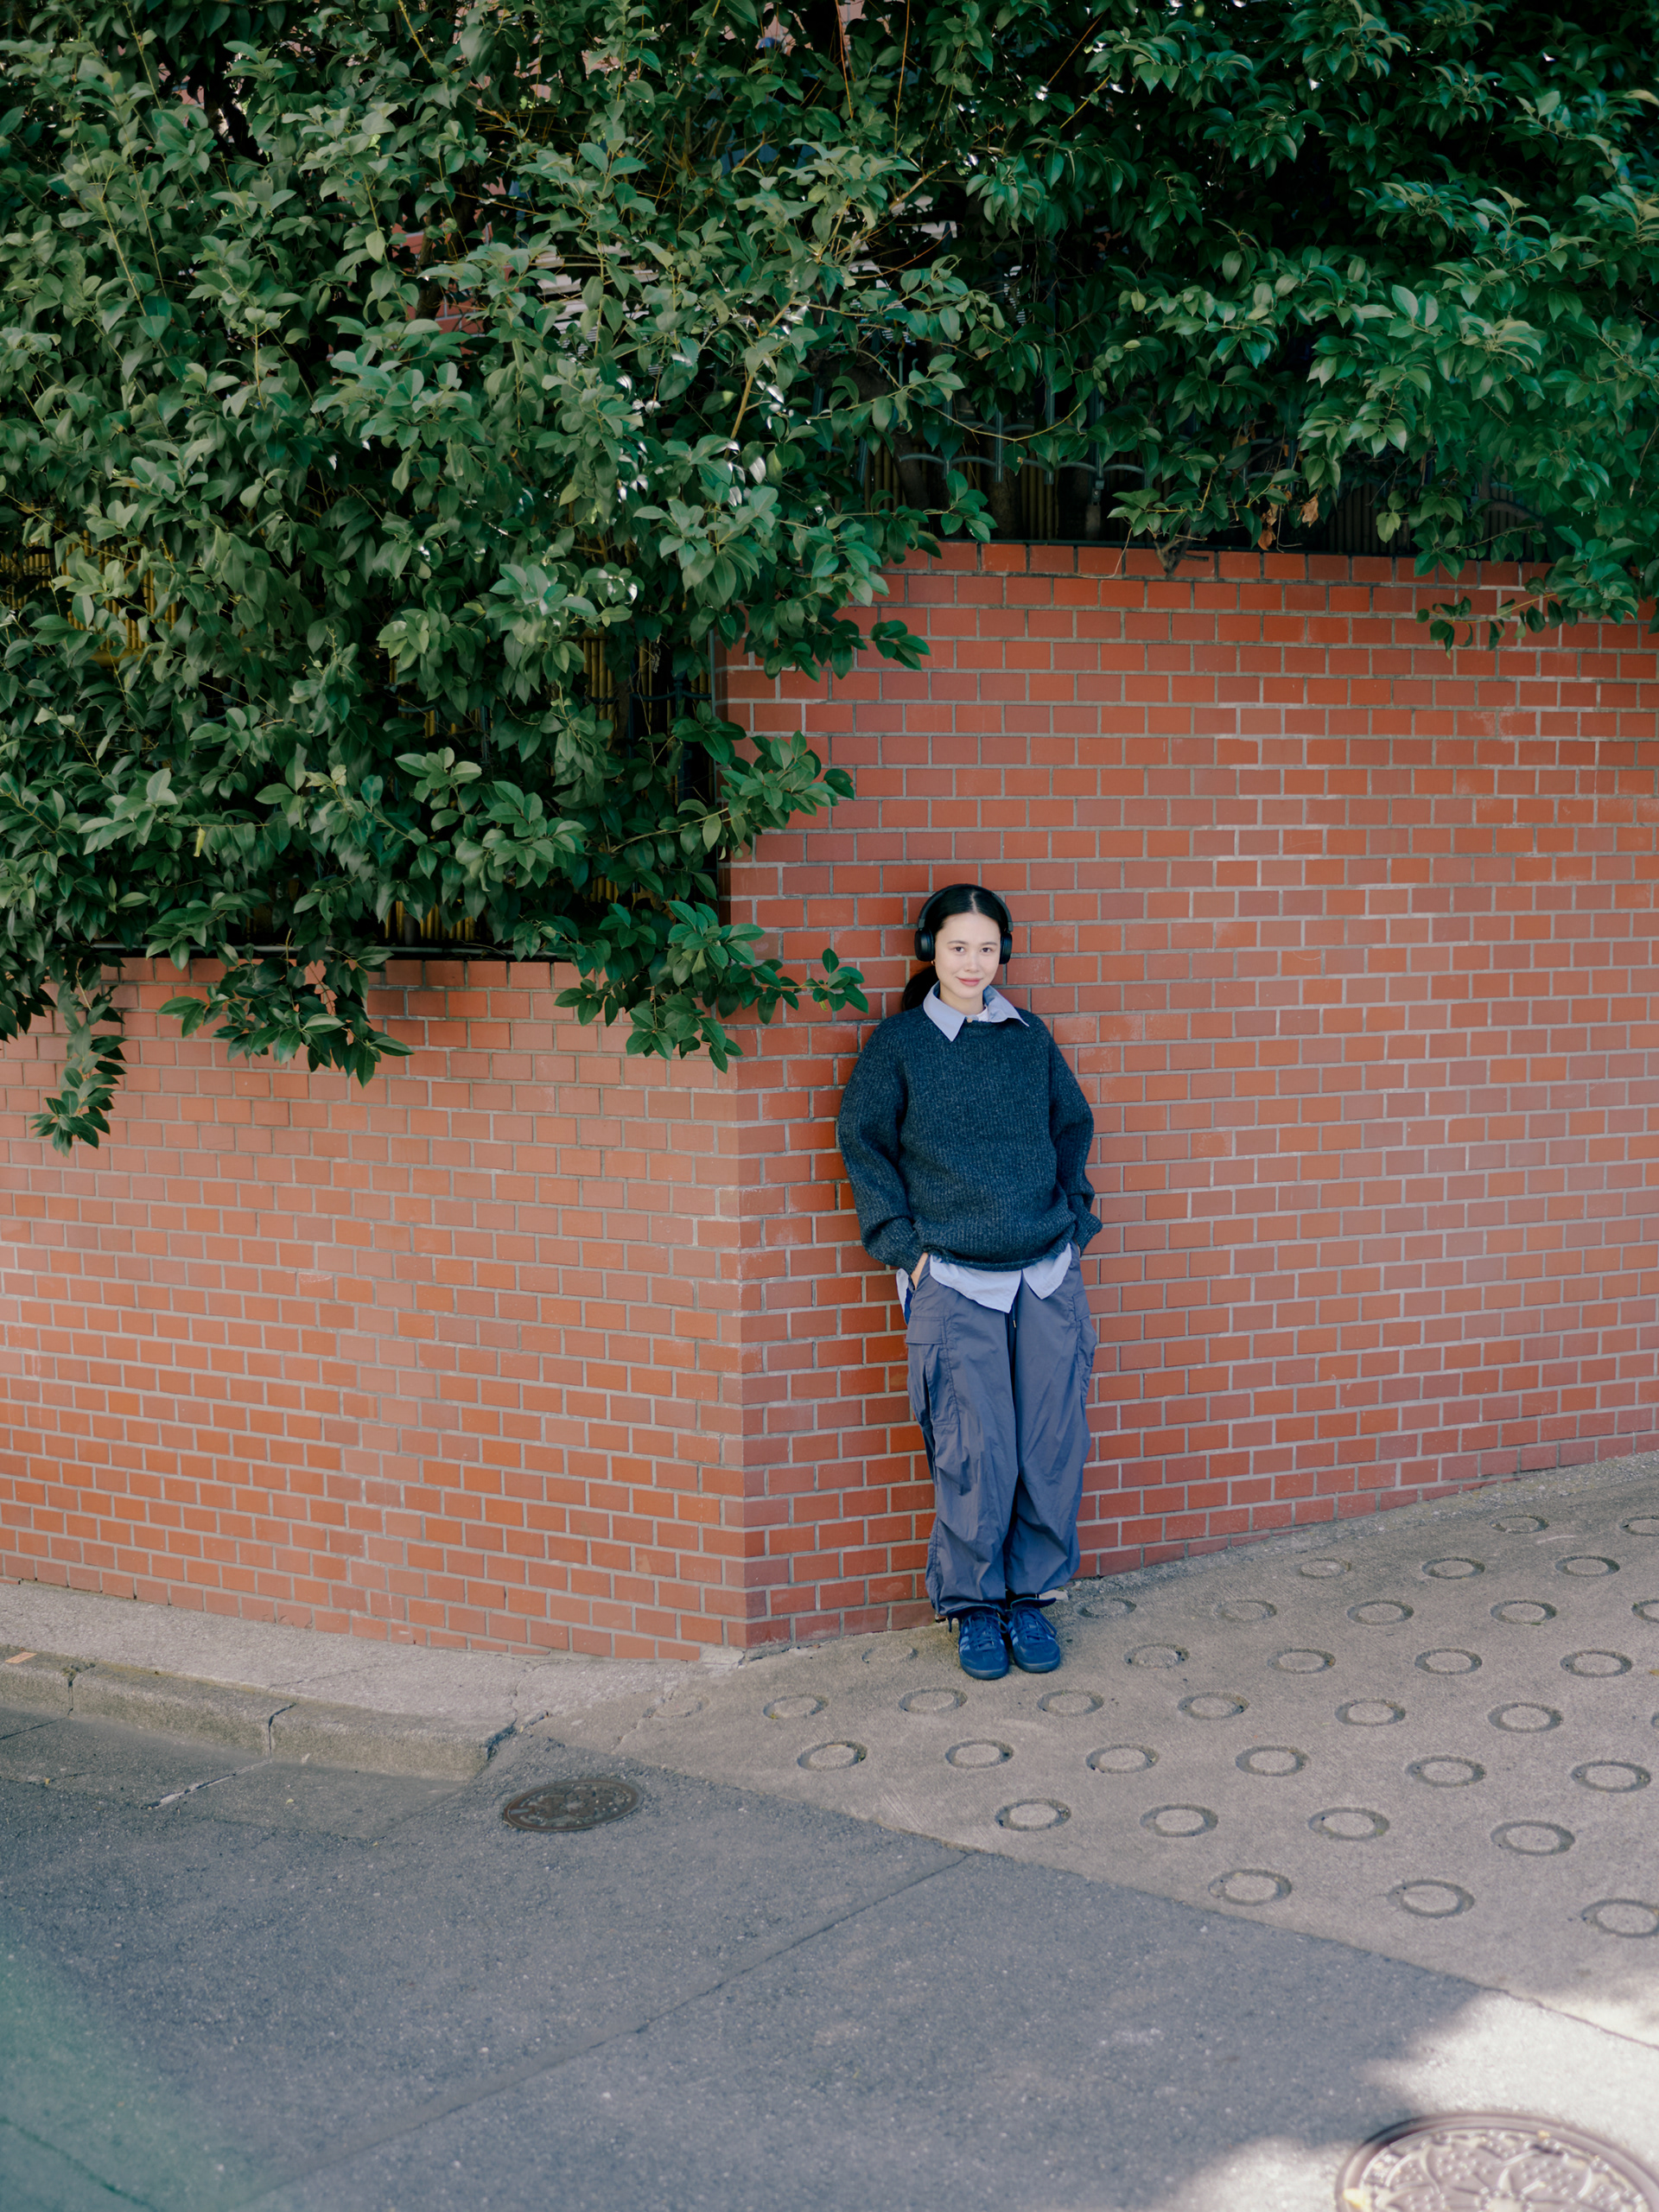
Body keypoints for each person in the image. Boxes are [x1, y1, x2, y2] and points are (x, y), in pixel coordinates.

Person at [836, 884, 1101, 1681]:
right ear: (931, 950)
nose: (972, 963)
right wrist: (903, 1248)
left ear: (1002, 954)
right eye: (958, 947)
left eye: (987, 948)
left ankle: (1032, 1597)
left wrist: (1075, 1220)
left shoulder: (1028, 1038)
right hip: (953, 1277)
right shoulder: (901, 1045)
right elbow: (862, 1141)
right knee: (974, 1450)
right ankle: (975, 1607)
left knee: (1051, 1444)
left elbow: (1072, 1126)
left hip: (1045, 1272)